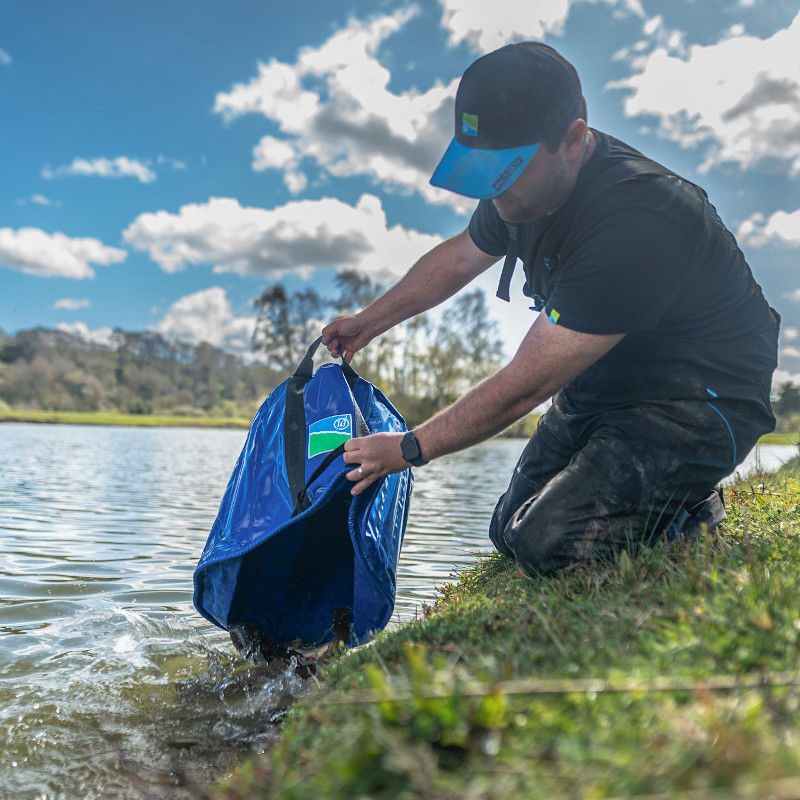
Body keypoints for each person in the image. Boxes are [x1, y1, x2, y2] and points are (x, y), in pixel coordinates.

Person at [321, 41, 779, 576]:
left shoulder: (640, 220)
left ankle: (688, 504)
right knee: (507, 529)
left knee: (548, 544)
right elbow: (460, 257)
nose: (494, 193)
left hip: (698, 396)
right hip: (604, 381)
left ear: (573, 139)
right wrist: (366, 324)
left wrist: (407, 448)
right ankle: (649, 496)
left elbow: (526, 384)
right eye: (482, 170)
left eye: (507, 169)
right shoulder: (518, 194)